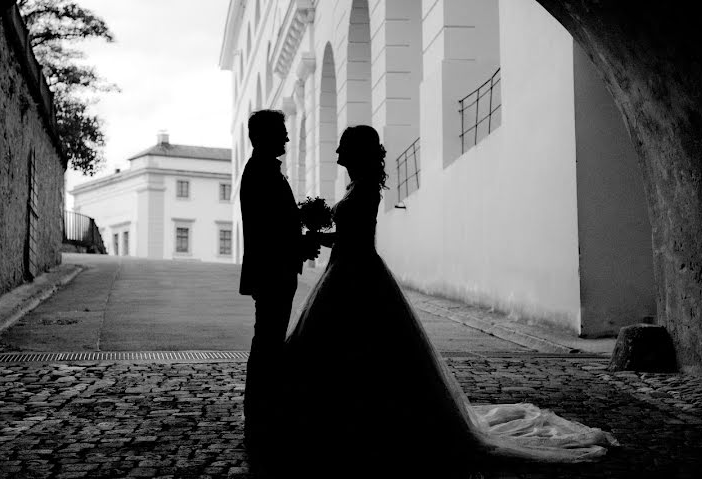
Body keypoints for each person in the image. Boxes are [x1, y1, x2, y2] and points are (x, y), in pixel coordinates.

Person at [277, 125, 619, 477]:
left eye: (343, 148)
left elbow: (356, 239)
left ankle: (358, 424)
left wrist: (318, 235)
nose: (337, 154)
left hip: (355, 275)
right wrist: (321, 235)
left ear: (357, 152)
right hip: (347, 272)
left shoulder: (365, 190)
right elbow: (348, 236)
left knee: (360, 350)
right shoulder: (357, 187)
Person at [238, 109, 320, 472]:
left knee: (268, 343)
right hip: (273, 272)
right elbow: (271, 232)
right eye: (282, 133)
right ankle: (260, 421)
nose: (287, 139)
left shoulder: (263, 169)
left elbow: (278, 225)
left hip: (274, 271)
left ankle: (263, 418)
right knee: (268, 345)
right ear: (266, 135)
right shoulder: (262, 172)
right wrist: (302, 245)